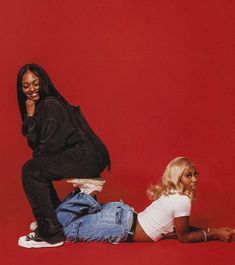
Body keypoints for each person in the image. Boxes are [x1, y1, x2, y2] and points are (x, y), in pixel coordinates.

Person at [18, 157, 234, 248]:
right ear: (178, 177)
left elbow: (180, 229)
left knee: (60, 226)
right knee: (62, 232)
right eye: (189, 176)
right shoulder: (182, 200)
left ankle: (53, 219)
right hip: (120, 226)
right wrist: (214, 234)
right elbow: (184, 236)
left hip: (122, 215)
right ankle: (86, 194)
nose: (195, 180)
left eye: (196, 174)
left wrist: (213, 229)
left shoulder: (173, 195)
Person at [17, 63, 111, 248]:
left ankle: (51, 233)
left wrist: (30, 119)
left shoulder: (50, 106)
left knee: (32, 170)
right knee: (35, 169)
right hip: (81, 154)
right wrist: (29, 116)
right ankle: (55, 219)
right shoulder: (39, 106)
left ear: (43, 82)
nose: (31, 89)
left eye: (35, 83)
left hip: (86, 156)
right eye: (25, 85)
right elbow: (35, 144)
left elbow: (43, 150)